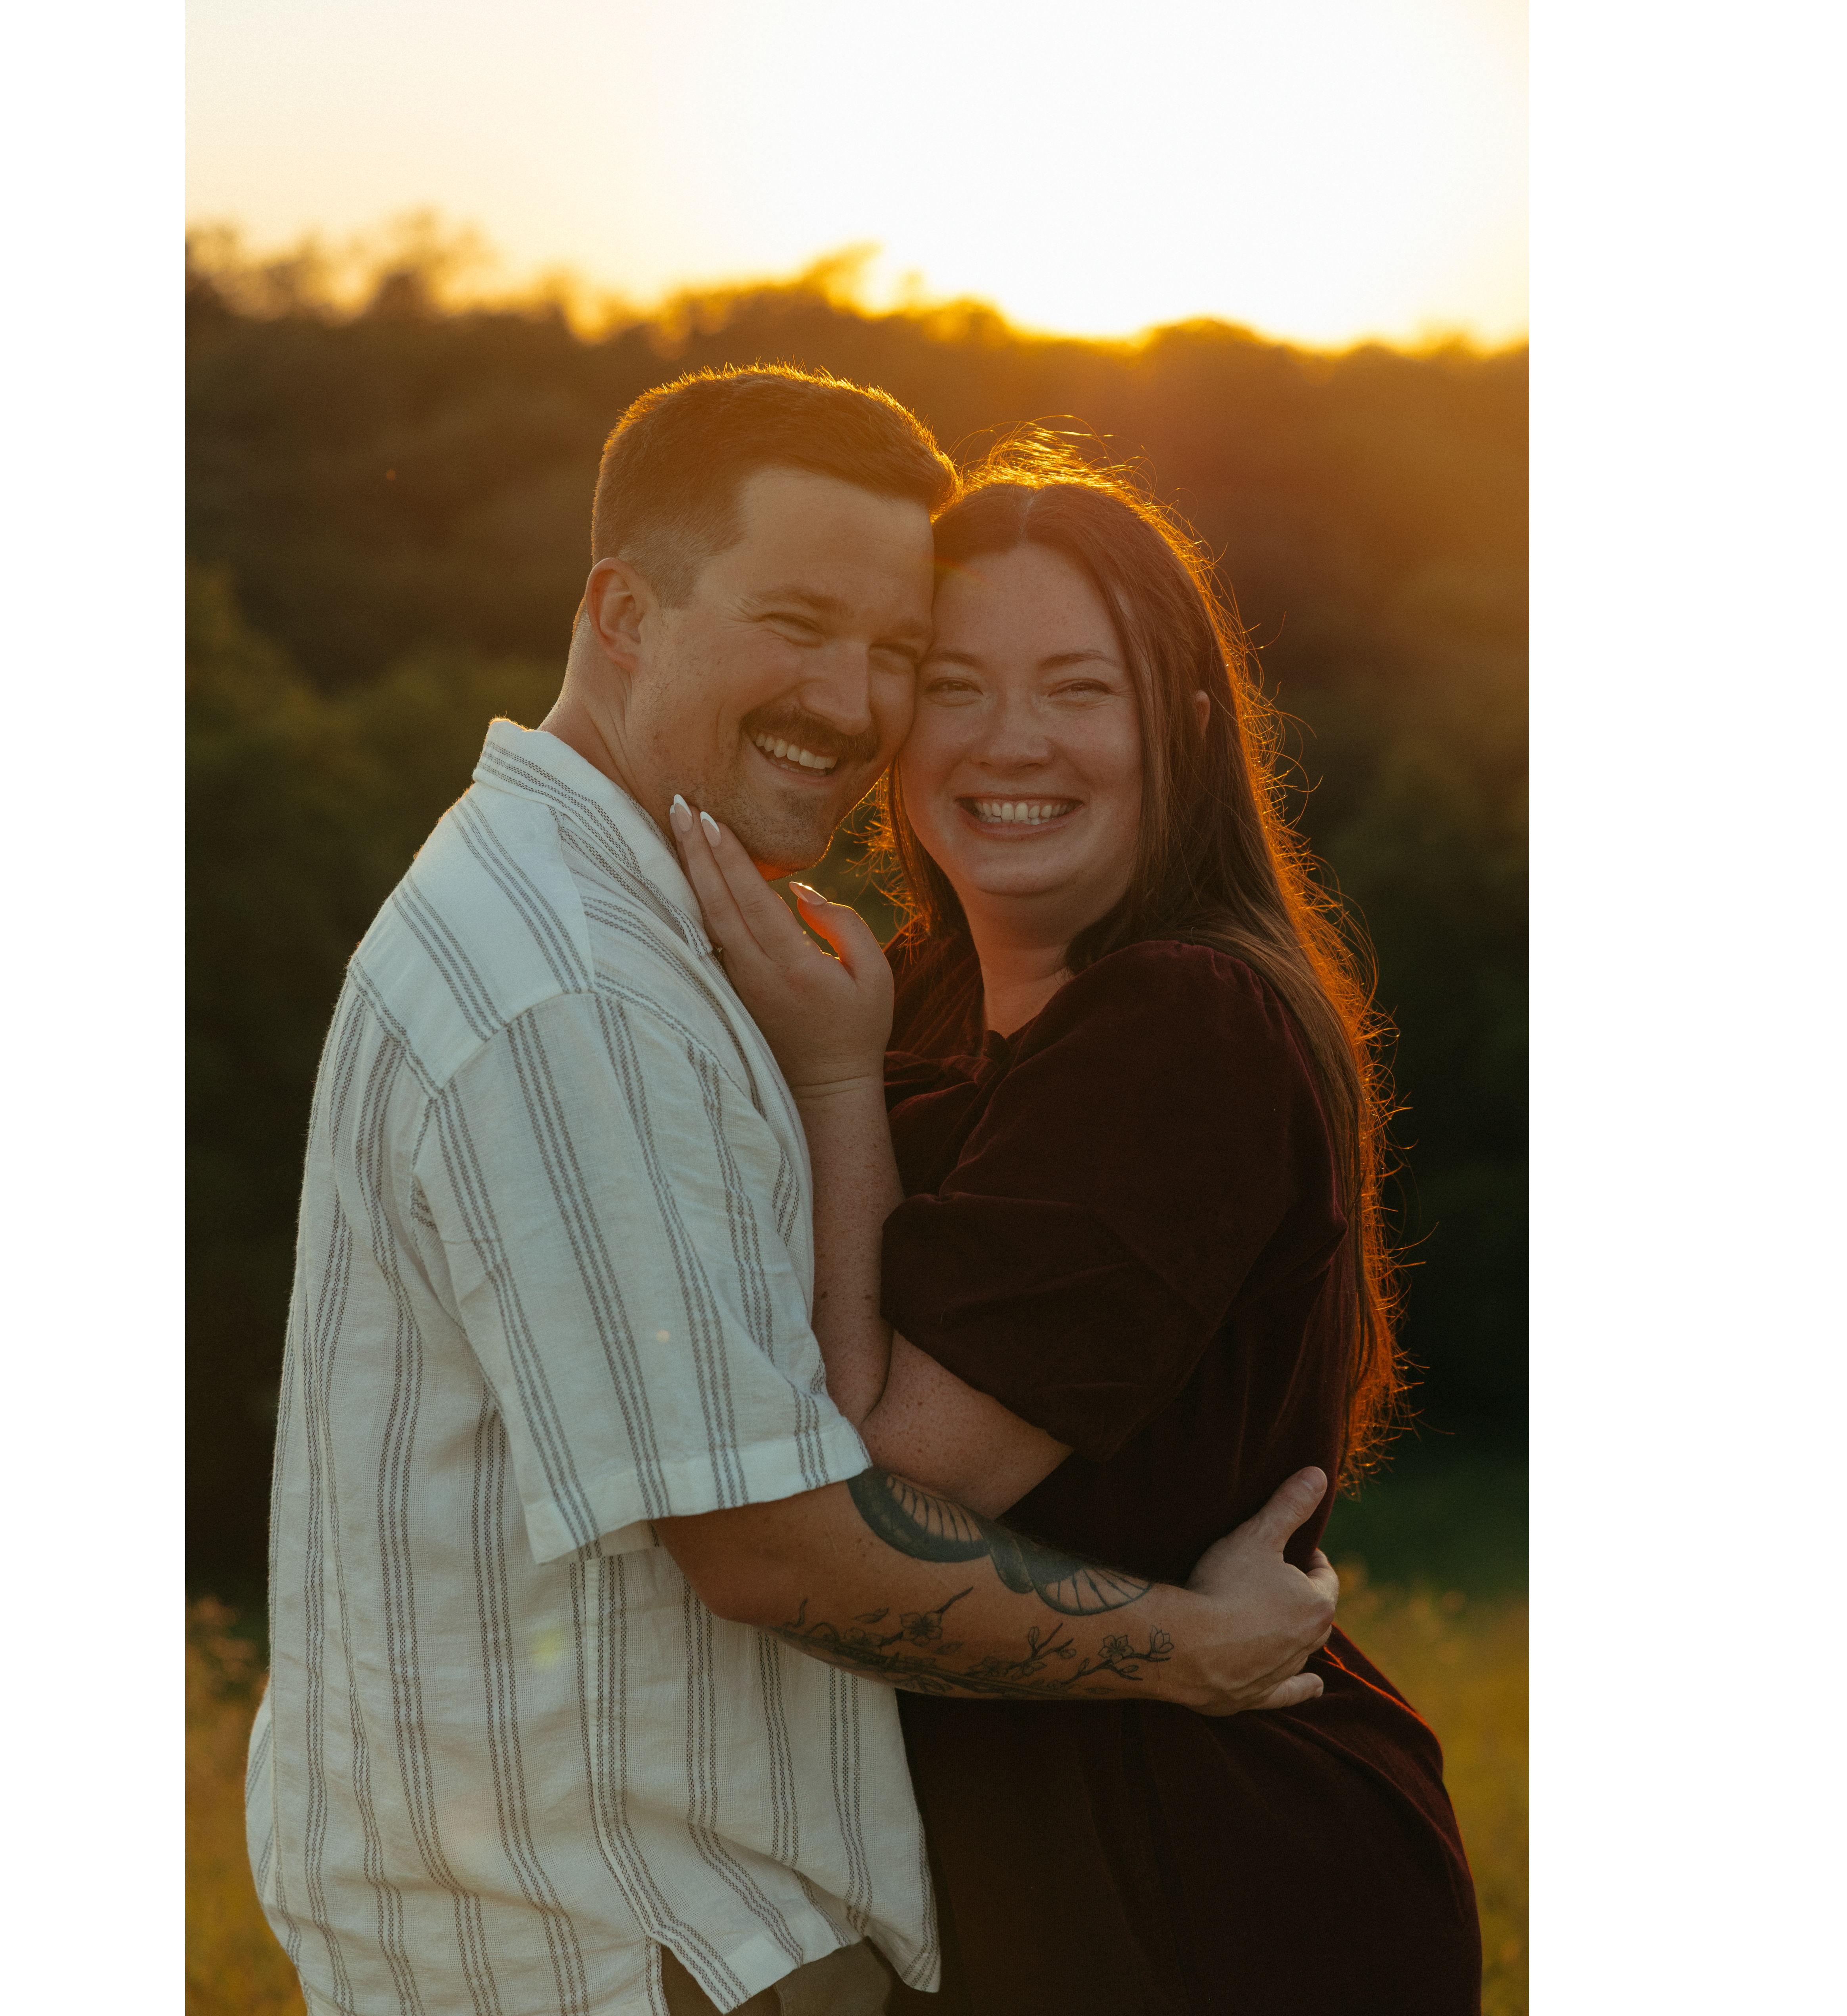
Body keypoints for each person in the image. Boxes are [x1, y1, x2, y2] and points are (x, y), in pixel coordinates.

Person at [247, 368, 1347, 2016]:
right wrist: (1194, 1644)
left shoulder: (668, 940)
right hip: (628, 1937)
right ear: (624, 612)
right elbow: (776, 1547)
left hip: (759, 1917)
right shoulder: (579, 986)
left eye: (894, 650)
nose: (852, 701)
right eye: (801, 624)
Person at [671, 439, 1484, 2014]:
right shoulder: (919, 997)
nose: (1011, 740)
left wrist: (830, 1080)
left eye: (1077, 688)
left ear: (1185, 725)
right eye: (954, 685)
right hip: (1000, 1876)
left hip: (1202, 1877)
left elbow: (882, 1492)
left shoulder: (1185, 1024)